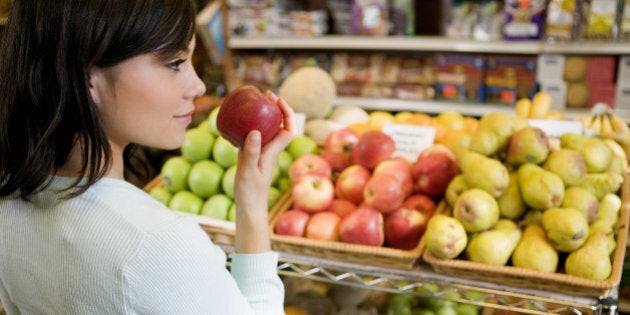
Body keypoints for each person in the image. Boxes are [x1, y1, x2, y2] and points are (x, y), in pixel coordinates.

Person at [0, 1, 296, 314]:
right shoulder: (156, 243)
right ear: (90, 78)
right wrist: (253, 202)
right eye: (174, 63)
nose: (198, 85)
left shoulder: (8, 204)